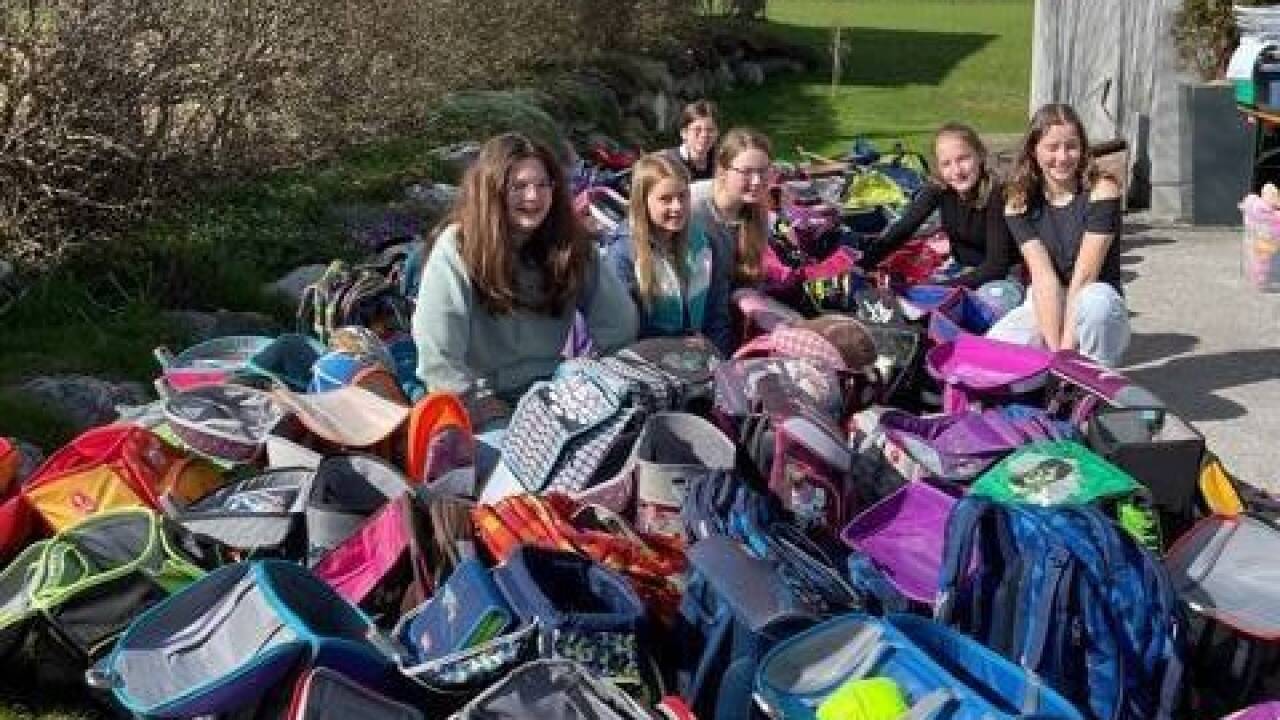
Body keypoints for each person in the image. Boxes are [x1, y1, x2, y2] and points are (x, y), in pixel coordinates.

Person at [413, 132, 638, 475]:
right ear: (492, 190)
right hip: (484, 402)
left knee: (610, 457)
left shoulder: (568, 244)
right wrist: (475, 401)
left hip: (550, 392)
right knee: (519, 475)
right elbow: (438, 355)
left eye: (542, 185)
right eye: (518, 186)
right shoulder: (458, 248)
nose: (533, 197)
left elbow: (619, 322)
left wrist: (600, 378)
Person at [986, 103, 1129, 367]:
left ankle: (1093, 379)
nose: (1062, 157)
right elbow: (1043, 277)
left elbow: (1085, 277)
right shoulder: (1018, 203)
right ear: (1034, 151)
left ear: (1083, 149)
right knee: (996, 346)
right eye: (1052, 148)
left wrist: (1065, 354)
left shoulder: (1103, 191)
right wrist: (1057, 356)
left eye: (1071, 146)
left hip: (1095, 301)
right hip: (1048, 299)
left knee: (1096, 303)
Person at [601, 153, 732, 354]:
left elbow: (718, 311)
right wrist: (675, 348)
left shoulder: (704, 242)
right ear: (643, 203)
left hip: (702, 355)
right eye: (665, 199)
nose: (677, 207)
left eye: (683, 196)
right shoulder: (623, 256)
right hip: (648, 360)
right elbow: (621, 331)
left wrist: (716, 350)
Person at [860, 123, 1016, 291]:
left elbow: (996, 266)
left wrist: (936, 288)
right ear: (938, 167)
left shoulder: (996, 194)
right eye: (946, 164)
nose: (956, 171)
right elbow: (903, 228)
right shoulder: (940, 187)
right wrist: (862, 264)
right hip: (961, 269)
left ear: (980, 155)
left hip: (1001, 276)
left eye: (963, 158)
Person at [689, 126, 771, 295]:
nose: (756, 181)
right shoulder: (692, 206)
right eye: (746, 172)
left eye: (763, 171)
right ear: (723, 170)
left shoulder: (760, 211)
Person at [663, 100, 720, 182]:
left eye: (710, 130)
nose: (704, 135)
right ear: (684, 133)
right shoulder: (668, 163)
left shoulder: (721, 163)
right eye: (697, 129)